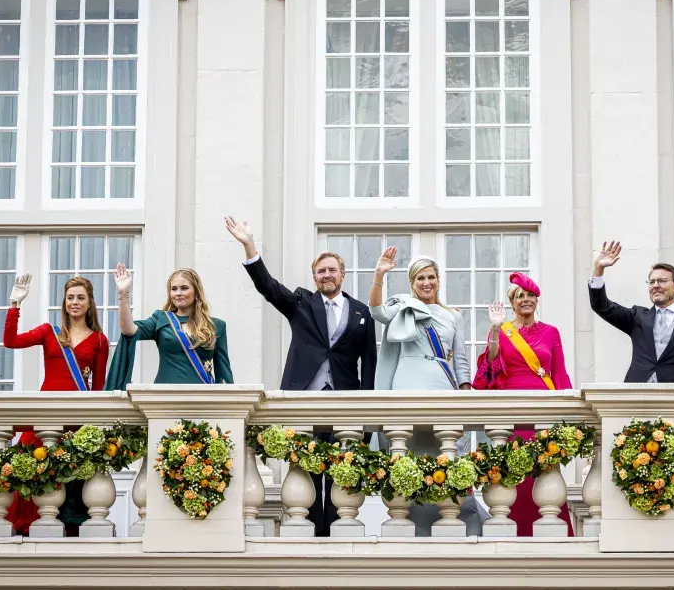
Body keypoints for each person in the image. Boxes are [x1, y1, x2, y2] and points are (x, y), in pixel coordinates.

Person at [225, 216, 376, 537]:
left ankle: (338, 536)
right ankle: (308, 535)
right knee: (305, 469)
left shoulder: (362, 312)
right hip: (304, 402)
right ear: (314, 277)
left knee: (342, 471)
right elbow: (268, 287)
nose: (327, 275)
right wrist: (249, 246)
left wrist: (367, 418)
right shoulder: (301, 303)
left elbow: (369, 367)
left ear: (343, 274)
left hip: (345, 405)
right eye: (321, 271)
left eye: (332, 269)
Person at [369, 248, 486, 536]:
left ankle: (447, 516)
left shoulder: (453, 315)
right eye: (421, 277)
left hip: (441, 383)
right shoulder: (402, 307)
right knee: (406, 450)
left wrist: (465, 390)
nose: (427, 282)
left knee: (443, 452)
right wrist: (379, 276)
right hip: (406, 381)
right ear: (412, 282)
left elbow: (459, 359)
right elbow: (376, 311)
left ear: (438, 280)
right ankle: (408, 518)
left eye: (431, 277)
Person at [3, 274, 109, 536]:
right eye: (70, 297)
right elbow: (10, 341)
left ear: (89, 303)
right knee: (28, 470)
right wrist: (15, 305)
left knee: (65, 480)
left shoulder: (99, 340)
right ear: (64, 302)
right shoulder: (49, 333)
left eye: (80, 298)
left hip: (74, 419)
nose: (75, 302)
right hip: (44, 413)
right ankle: (24, 532)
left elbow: (98, 388)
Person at [471, 272, 574, 536]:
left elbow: (560, 374)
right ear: (512, 302)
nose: (525, 300)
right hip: (512, 410)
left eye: (530, 296)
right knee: (514, 473)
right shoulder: (502, 331)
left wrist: (567, 418)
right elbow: (491, 367)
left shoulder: (551, 332)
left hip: (542, 409)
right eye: (520, 296)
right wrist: (495, 328)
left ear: (536, 301)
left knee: (544, 472)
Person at [588, 240, 674, 383]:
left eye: (662, 281)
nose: (655, 286)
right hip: (636, 396)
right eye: (652, 282)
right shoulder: (637, 316)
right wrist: (598, 270)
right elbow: (602, 306)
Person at [103, 265, 234, 390]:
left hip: (202, 396)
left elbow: (223, 372)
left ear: (196, 292)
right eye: (174, 289)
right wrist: (123, 293)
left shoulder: (216, 326)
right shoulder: (161, 319)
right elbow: (128, 329)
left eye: (184, 288)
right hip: (164, 395)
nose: (178, 293)